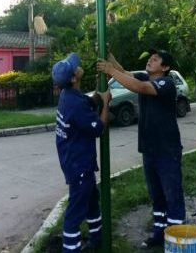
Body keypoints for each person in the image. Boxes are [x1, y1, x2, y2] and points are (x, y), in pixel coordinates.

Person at [97, 49, 185, 249]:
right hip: (149, 150)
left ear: (165, 67)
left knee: (173, 196)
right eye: (150, 58)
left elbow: (141, 88)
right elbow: (125, 73)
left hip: (166, 151)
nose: (150, 61)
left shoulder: (166, 83)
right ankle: (159, 234)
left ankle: (177, 241)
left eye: (155, 60)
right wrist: (109, 54)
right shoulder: (145, 76)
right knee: (157, 196)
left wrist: (111, 71)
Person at [52, 52, 111, 253]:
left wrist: (98, 95)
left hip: (76, 162)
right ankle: (71, 249)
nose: (78, 66)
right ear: (73, 78)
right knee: (74, 214)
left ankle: (97, 238)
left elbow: (88, 103)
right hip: (79, 166)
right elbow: (98, 128)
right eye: (74, 67)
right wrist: (106, 103)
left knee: (92, 200)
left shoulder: (68, 95)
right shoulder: (74, 102)